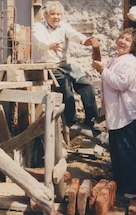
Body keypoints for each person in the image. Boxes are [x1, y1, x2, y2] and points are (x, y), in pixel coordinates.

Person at [92, 27, 136, 202]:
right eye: (121, 38)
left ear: (133, 46)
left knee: (127, 153)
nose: (123, 42)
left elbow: (120, 83)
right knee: (117, 152)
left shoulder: (130, 62)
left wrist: (102, 71)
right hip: (118, 113)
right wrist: (100, 65)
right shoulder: (117, 58)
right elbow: (109, 76)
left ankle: (132, 191)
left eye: (128, 40)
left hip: (128, 114)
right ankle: (120, 186)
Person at [32, 0, 100, 137]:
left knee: (86, 84)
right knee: (66, 88)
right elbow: (37, 40)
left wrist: (87, 41)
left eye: (58, 14)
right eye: (52, 14)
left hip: (64, 64)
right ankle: (72, 121)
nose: (56, 16)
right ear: (46, 16)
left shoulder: (63, 26)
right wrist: (49, 45)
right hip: (48, 65)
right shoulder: (38, 26)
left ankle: (92, 120)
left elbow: (75, 35)